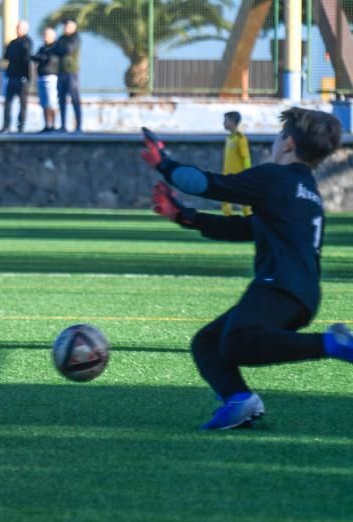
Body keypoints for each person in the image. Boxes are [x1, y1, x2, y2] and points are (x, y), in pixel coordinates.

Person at [141, 107, 353, 430]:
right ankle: (239, 400)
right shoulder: (306, 192)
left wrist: (165, 163)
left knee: (237, 341)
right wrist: (184, 216)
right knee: (208, 343)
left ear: (287, 144)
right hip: (301, 293)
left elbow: (205, 184)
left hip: (278, 286)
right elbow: (245, 228)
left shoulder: (274, 178)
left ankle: (331, 343)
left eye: (278, 136)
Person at [0, 21, 33, 134]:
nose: (18, 30)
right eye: (17, 27)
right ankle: (6, 126)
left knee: (23, 104)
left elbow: (25, 56)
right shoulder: (13, 43)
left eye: (20, 28)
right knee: (8, 102)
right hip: (12, 76)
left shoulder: (27, 42)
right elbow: (7, 56)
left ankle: (21, 126)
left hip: (22, 78)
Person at [221, 111, 252, 216]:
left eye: (226, 120)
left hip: (239, 176)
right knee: (225, 199)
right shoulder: (228, 139)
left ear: (233, 122)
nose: (223, 123)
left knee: (244, 201)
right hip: (227, 175)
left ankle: (249, 219)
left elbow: (246, 158)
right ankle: (227, 220)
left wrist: (248, 174)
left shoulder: (241, 139)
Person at [54, 19, 81, 133]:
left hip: (71, 73)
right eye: (65, 25)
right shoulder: (61, 38)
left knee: (75, 99)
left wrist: (60, 49)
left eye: (69, 26)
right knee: (61, 99)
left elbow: (67, 49)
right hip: (61, 72)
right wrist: (60, 49)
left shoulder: (76, 39)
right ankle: (63, 125)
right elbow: (56, 50)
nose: (66, 28)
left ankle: (78, 126)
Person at [31, 27, 59, 133]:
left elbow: (49, 59)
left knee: (52, 102)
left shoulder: (56, 48)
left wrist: (42, 57)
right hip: (41, 77)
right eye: (44, 35)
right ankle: (47, 125)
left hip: (51, 78)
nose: (44, 37)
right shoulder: (42, 48)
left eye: (46, 35)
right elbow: (36, 58)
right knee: (44, 103)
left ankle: (54, 124)